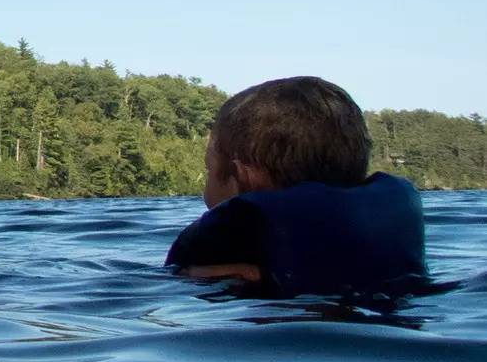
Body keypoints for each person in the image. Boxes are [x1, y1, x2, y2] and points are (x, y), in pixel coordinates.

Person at [167, 75, 427, 296]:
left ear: (242, 175)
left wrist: (188, 276)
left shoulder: (227, 247)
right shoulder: (387, 226)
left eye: (208, 170)